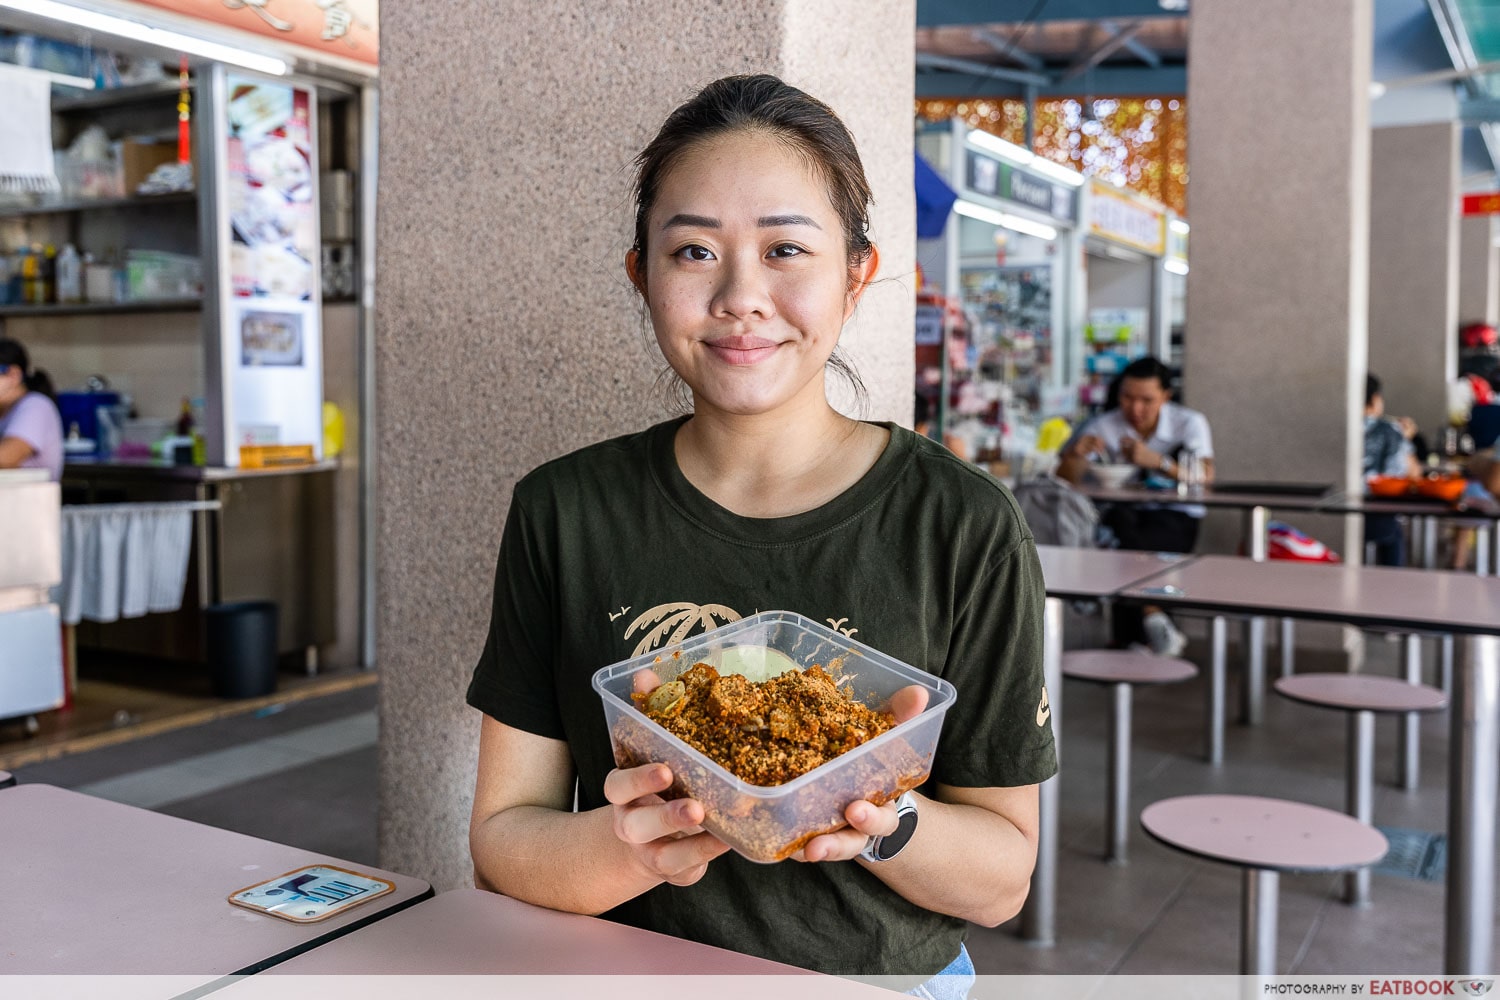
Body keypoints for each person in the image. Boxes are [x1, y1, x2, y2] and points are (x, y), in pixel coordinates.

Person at [466, 75, 1055, 993]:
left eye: (786, 248)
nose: (742, 296)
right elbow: (505, 843)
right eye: (694, 250)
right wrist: (633, 850)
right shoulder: (564, 511)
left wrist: (876, 811)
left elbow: (1002, 880)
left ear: (856, 275)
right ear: (642, 275)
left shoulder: (963, 526)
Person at [1055, 356, 1214, 655]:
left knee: (1125, 547)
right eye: (1127, 397)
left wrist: (1159, 462)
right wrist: (1075, 455)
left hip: (1176, 514)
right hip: (1122, 515)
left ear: (1166, 396)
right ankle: (1153, 618)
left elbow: (1204, 476)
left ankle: (1131, 640)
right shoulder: (1104, 425)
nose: (1135, 408)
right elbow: (1063, 479)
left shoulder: (1188, 423)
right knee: (1120, 525)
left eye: (1147, 400)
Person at [1362, 374, 1420, 567]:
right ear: (1374, 400)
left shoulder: (1330, 426)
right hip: (1378, 518)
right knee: (1394, 535)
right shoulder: (1389, 430)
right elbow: (1413, 474)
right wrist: (1406, 438)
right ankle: (1393, 585)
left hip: (1327, 522)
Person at [0, 335, 63, 481]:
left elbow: (6, 458)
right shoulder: (4, 411)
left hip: (33, 501)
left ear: (13, 375)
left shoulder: (36, 406)